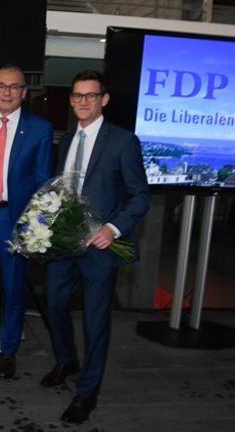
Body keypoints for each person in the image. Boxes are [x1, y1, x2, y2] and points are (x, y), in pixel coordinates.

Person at [43, 69, 151, 424]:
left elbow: (140, 196)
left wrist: (113, 228)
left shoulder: (123, 141)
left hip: (100, 248)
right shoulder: (67, 140)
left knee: (95, 321)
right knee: (53, 304)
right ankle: (66, 360)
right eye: (77, 95)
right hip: (64, 243)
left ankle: (86, 392)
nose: (83, 101)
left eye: (90, 95)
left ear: (104, 99)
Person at [0, 64, 53, 381]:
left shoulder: (40, 128)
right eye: (1, 85)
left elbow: (43, 180)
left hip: (14, 217)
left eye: (14, 87)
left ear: (24, 93)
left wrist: (35, 223)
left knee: (14, 288)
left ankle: (7, 352)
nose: (7, 92)